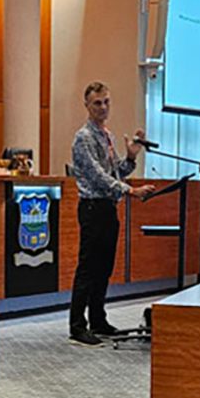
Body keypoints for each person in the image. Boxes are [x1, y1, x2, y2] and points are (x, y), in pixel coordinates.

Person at [69, 82, 155, 347]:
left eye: (106, 102)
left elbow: (115, 170)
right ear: (87, 105)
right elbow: (98, 177)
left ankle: (98, 320)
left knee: (104, 268)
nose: (103, 107)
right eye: (97, 103)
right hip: (93, 207)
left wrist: (130, 157)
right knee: (88, 268)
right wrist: (131, 190)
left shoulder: (107, 135)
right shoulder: (83, 137)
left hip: (108, 209)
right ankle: (77, 326)